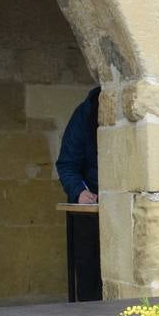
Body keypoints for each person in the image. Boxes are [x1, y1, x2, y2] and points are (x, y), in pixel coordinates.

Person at [54, 86, 103, 301]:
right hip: (90, 210)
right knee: (89, 274)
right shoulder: (85, 113)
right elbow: (67, 164)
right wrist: (80, 192)